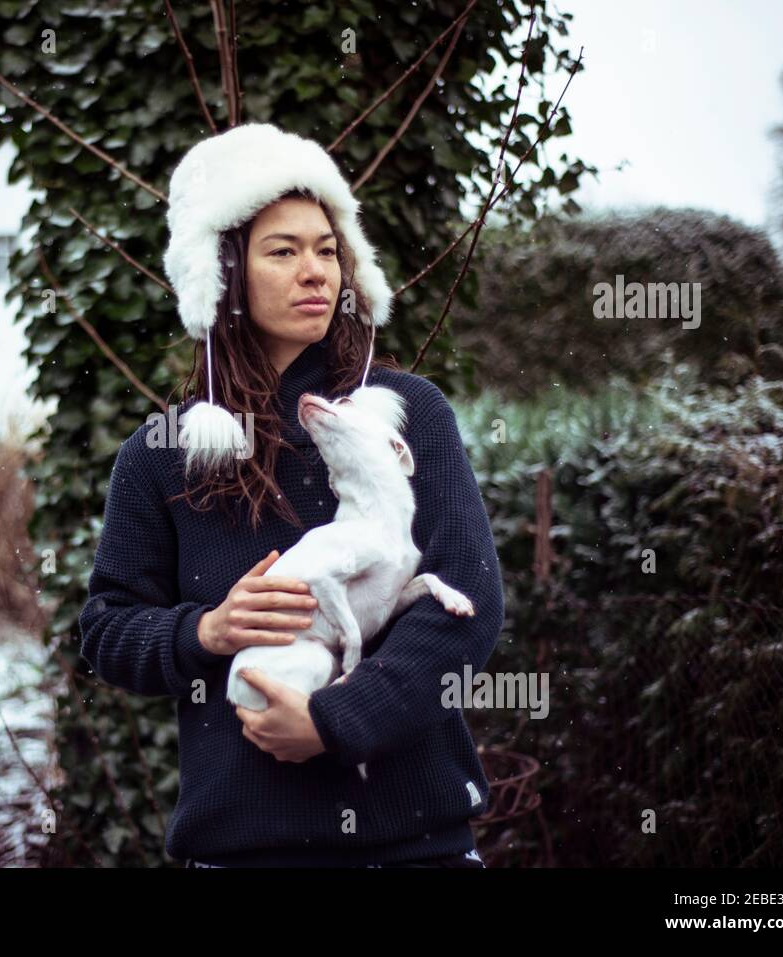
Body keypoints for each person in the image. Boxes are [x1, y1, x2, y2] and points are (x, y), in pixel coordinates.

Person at [77, 123, 504, 868]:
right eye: (283, 251)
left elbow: (465, 602)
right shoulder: (162, 454)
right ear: (224, 273)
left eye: (327, 248)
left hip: (414, 846)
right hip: (245, 848)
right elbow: (106, 630)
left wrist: (336, 718)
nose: (315, 272)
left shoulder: (405, 414)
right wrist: (204, 631)